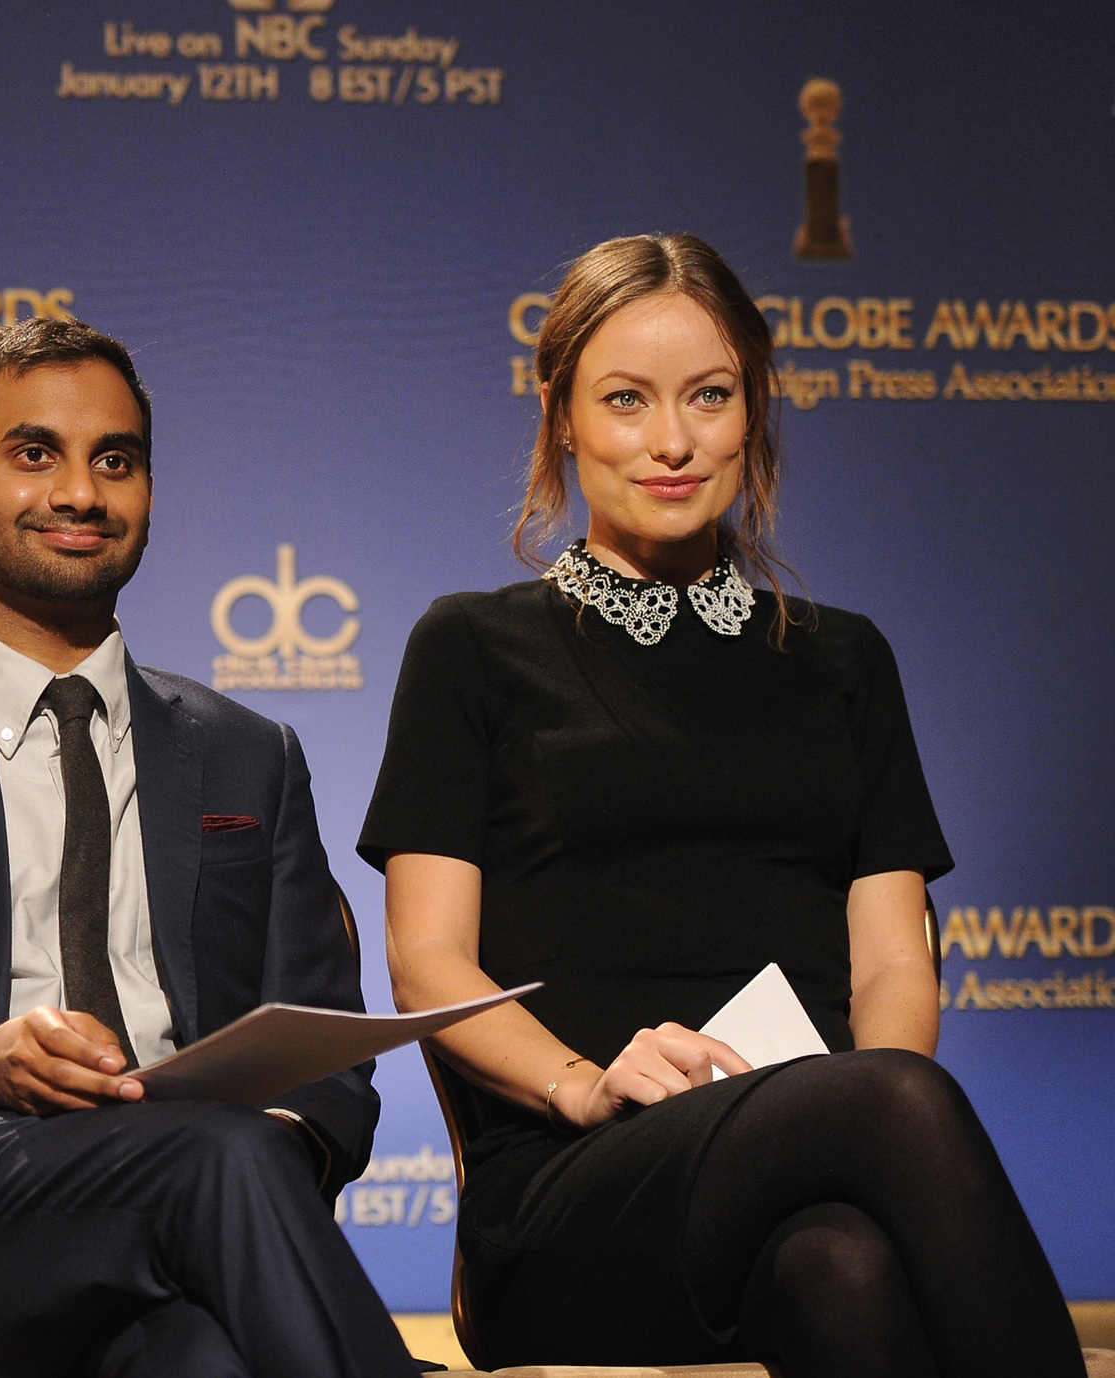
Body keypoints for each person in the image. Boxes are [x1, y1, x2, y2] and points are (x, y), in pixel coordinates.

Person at [363, 233, 1086, 1377]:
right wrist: (581, 1082)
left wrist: (856, 1111)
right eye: (624, 400)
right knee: (884, 1117)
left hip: (812, 1146)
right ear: (559, 416)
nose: (670, 440)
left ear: (752, 413)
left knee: (841, 1270)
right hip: (574, 1182)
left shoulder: (842, 659)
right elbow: (426, 964)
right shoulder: (471, 648)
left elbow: (894, 965)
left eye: (708, 396)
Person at [0, 317, 420, 1378]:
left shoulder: (247, 754)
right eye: (34, 454)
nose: (81, 493)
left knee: (201, 1357)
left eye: (115, 461)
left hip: (195, 1211)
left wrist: (279, 1133)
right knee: (215, 1156)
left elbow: (329, 1064)